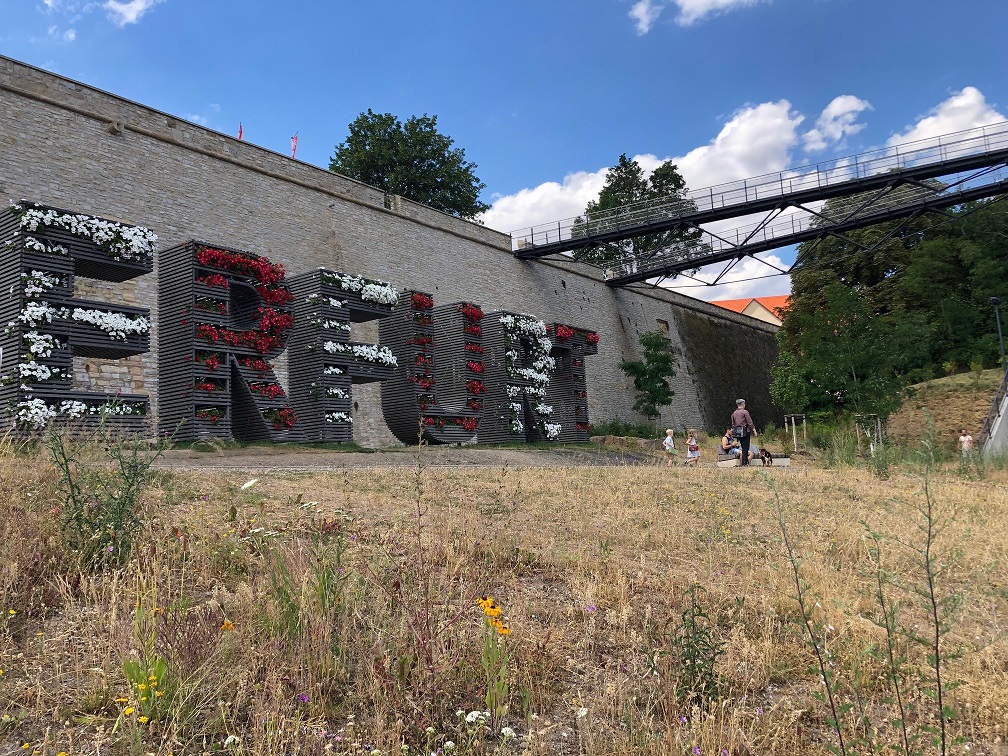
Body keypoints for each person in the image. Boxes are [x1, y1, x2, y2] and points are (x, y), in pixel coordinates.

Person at [731, 398, 757, 466]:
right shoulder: (745, 412)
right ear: (743, 404)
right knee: (746, 447)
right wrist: (754, 430)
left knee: (743, 446)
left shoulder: (734, 413)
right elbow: (749, 422)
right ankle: (744, 462)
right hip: (745, 431)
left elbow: (733, 424)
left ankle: (745, 462)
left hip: (738, 432)